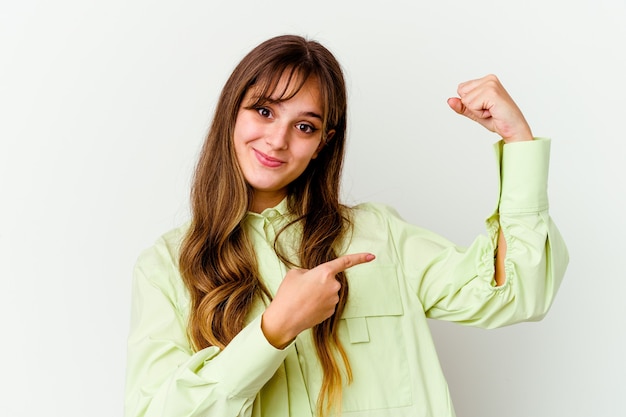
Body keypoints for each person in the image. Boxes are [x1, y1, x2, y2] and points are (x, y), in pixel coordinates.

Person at [124, 34, 569, 417]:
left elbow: (516, 292)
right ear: (232, 112)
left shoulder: (380, 236)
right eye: (263, 111)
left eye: (303, 125)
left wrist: (518, 141)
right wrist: (272, 330)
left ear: (322, 143)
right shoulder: (165, 266)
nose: (277, 140)